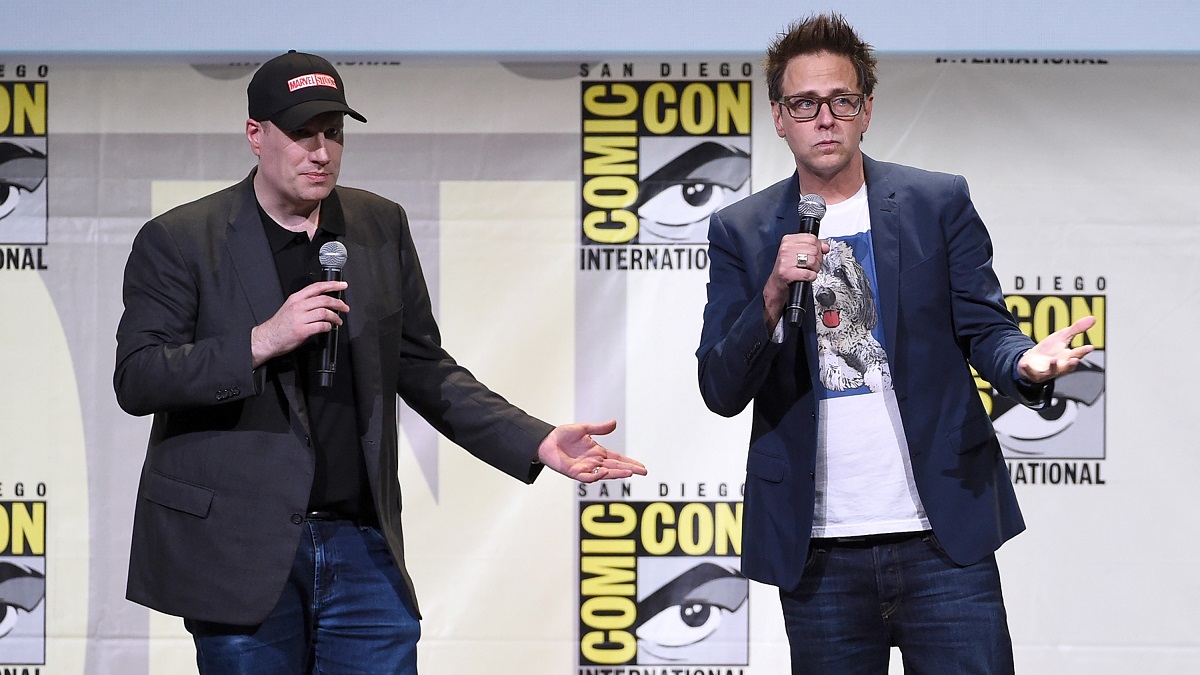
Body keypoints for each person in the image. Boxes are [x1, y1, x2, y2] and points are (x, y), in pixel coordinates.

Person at [113, 50, 646, 674]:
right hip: (240, 551)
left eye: (332, 133)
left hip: (360, 544)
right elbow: (140, 375)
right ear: (256, 135)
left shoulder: (377, 225)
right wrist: (261, 340)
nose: (321, 152)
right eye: (303, 134)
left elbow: (422, 366)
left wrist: (536, 441)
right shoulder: (181, 238)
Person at [696, 14, 1094, 674]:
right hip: (818, 552)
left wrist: (1023, 360)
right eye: (804, 103)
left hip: (941, 538)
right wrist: (771, 293)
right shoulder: (741, 230)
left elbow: (984, 327)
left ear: (866, 109)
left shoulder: (936, 202)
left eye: (840, 100)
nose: (824, 118)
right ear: (778, 116)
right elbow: (720, 387)